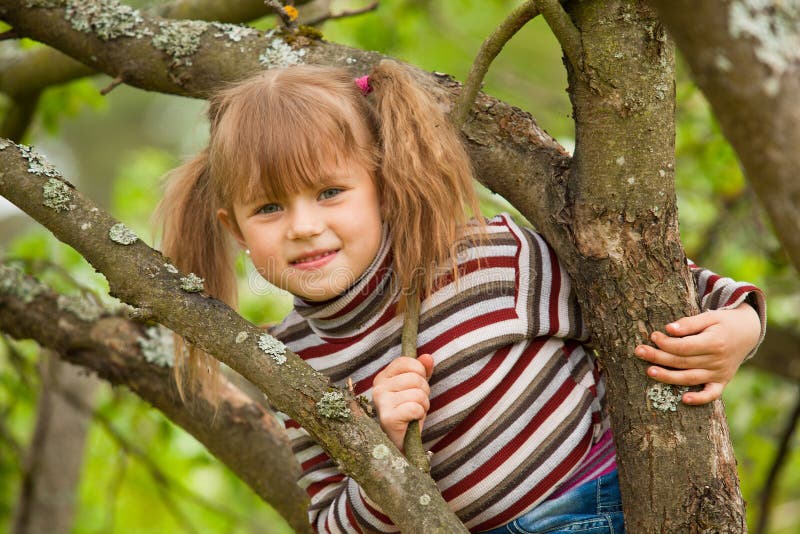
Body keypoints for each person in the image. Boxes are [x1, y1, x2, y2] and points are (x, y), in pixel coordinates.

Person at [157, 61, 765, 533]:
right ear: (235, 229)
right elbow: (333, 524)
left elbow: (653, 287)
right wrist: (377, 455)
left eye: (329, 192)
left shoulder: (482, 260)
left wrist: (740, 324)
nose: (303, 226)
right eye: (269, 208)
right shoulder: (289, 359)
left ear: (382, 186)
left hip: (595, 507)